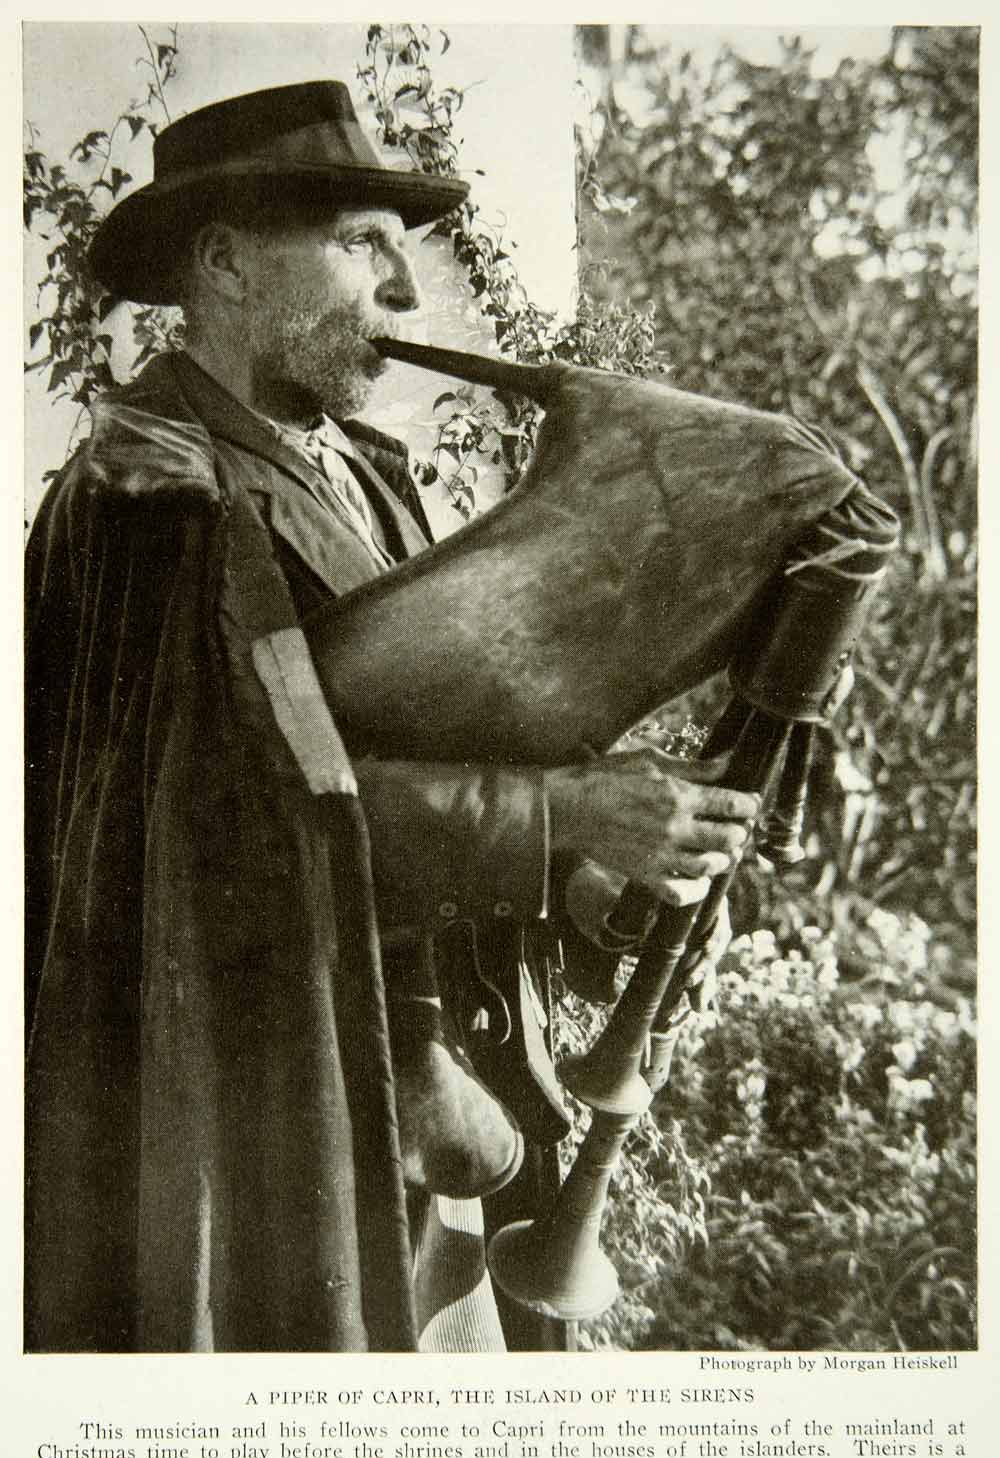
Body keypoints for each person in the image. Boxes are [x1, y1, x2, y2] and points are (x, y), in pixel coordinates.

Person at [25, 80, 759, 1354]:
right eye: (364, 243)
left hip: (429, 1131)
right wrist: (559, 817)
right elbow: (225, 830)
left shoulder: (365, 479)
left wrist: (591, 874)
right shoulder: (149, 495)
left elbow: (427, 746)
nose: (405, 291)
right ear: (224, 263)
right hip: (265, 1155)